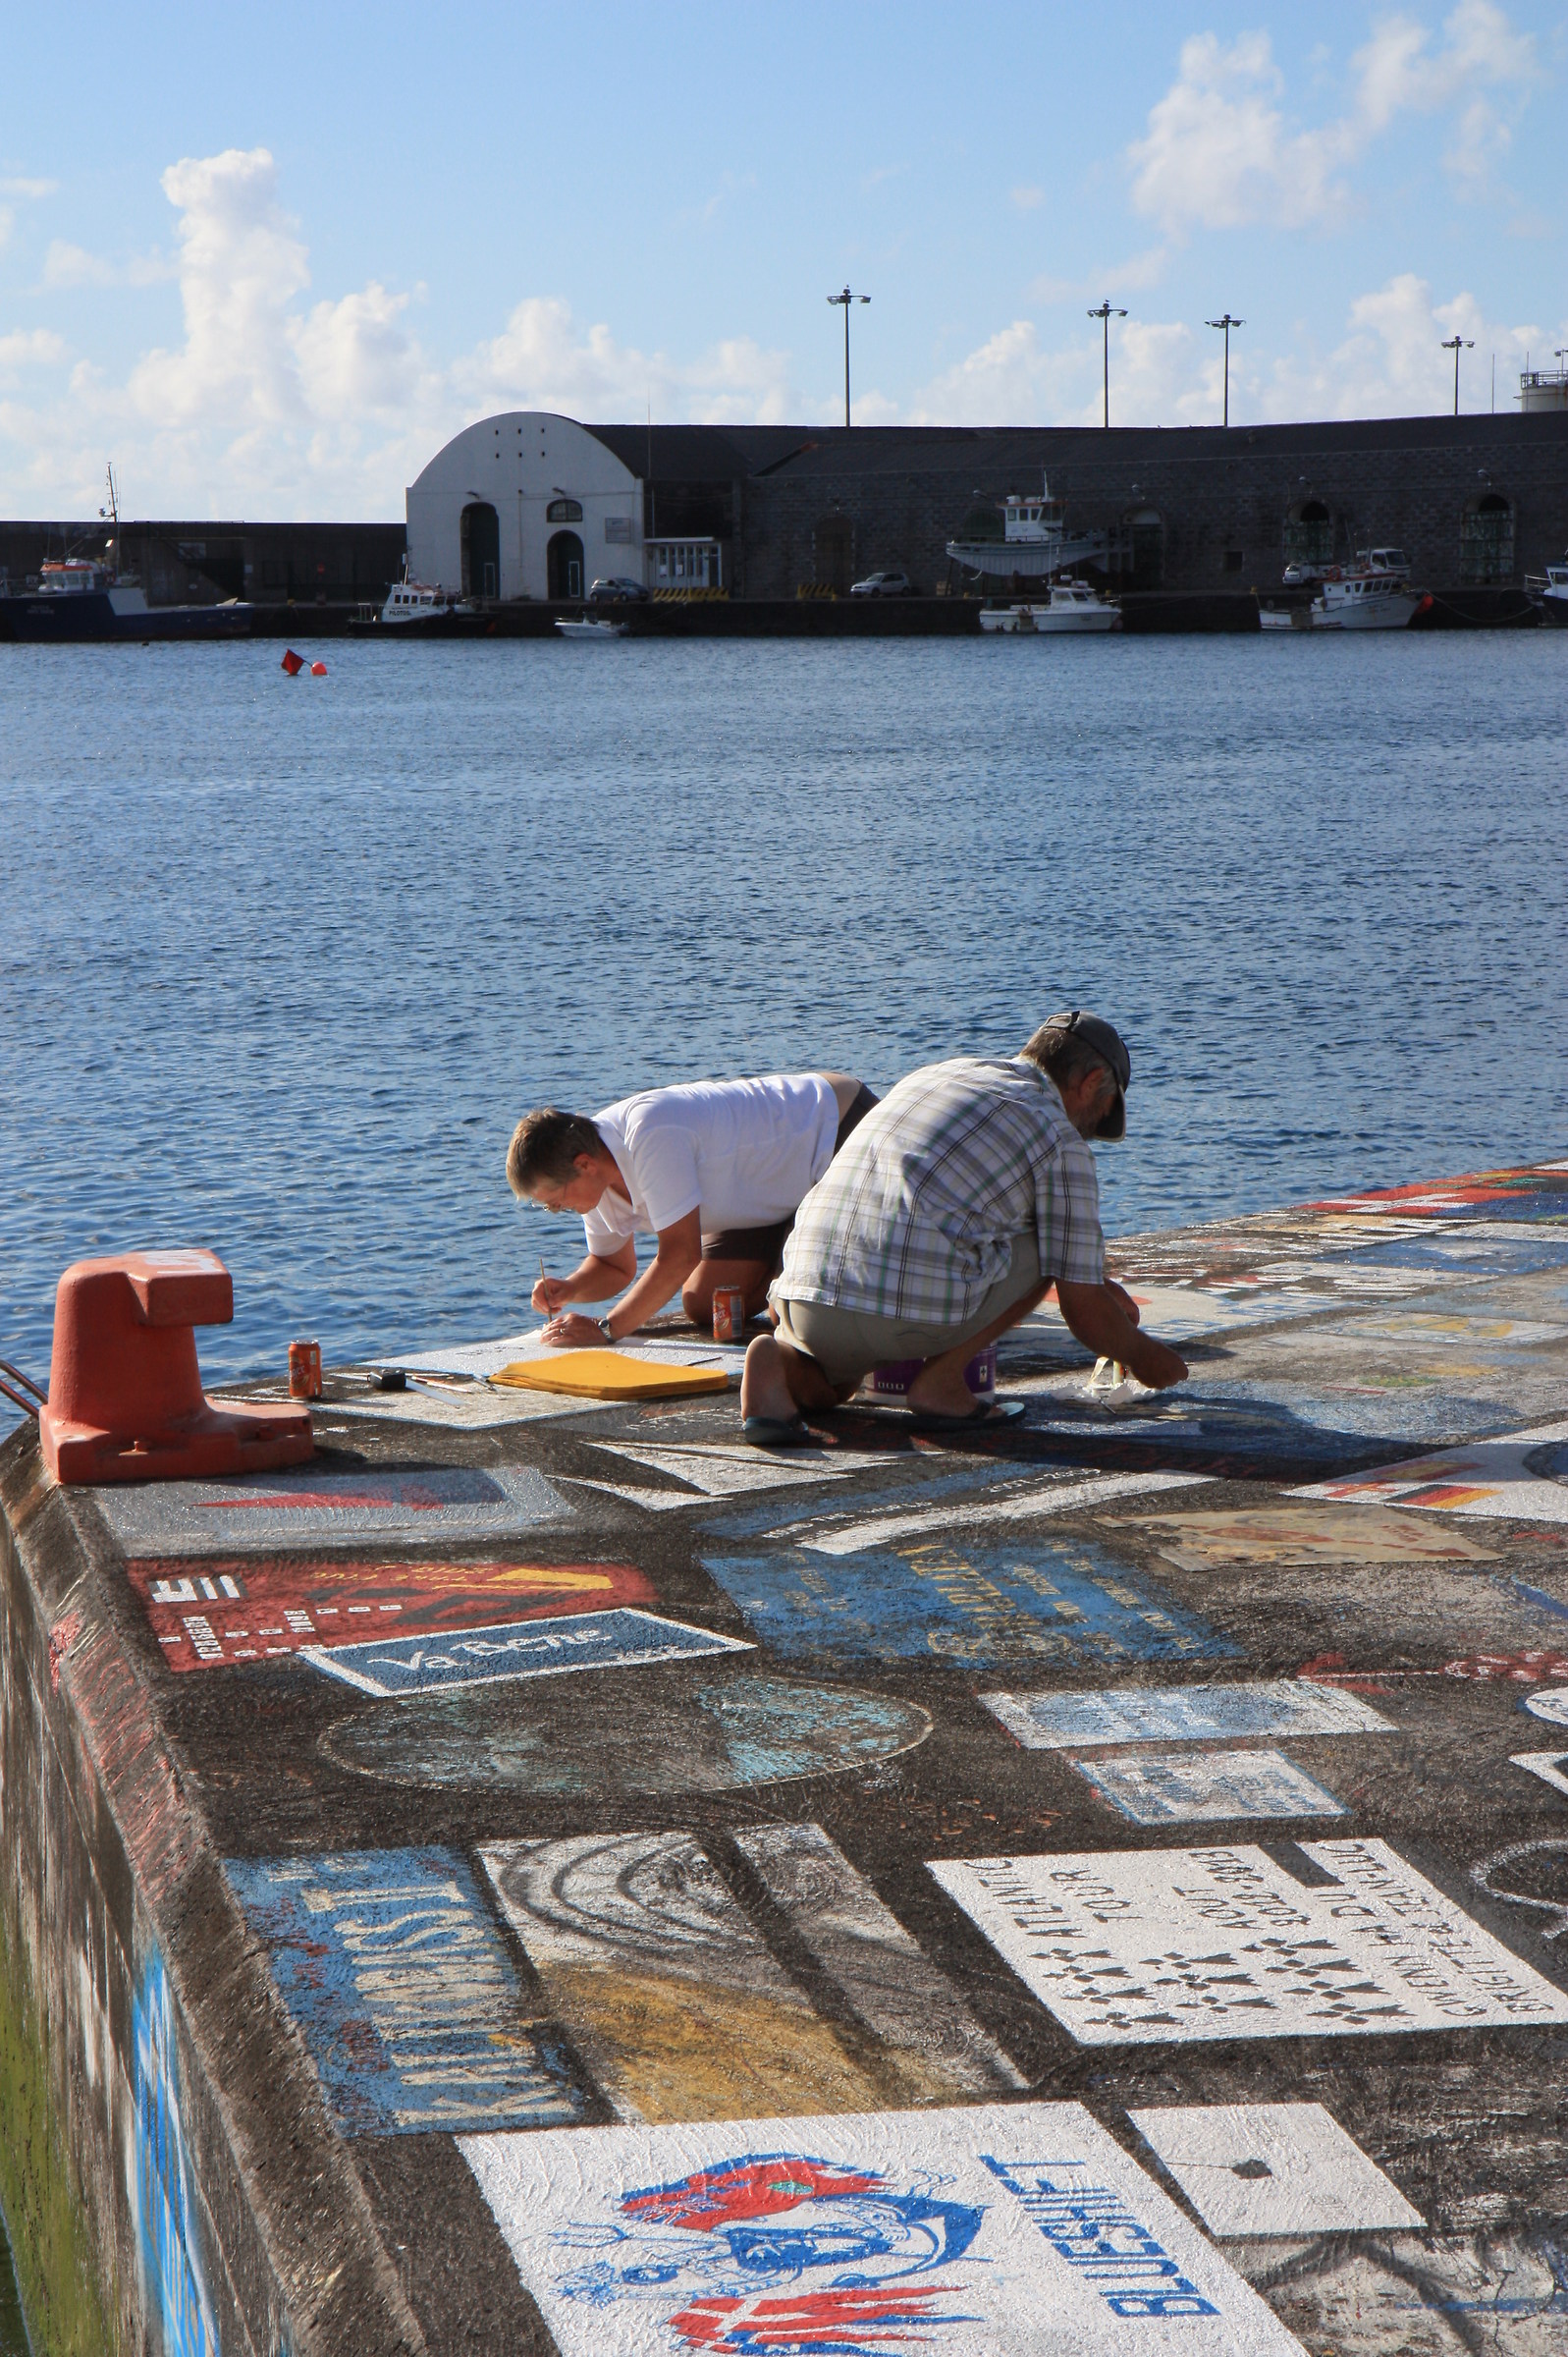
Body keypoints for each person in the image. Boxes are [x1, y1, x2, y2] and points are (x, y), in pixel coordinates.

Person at [738, 1011, 1188, 1442]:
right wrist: (1150, 1357)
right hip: (899, 1316)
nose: (1092, 1132)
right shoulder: (1059, 1137)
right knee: (1047, 1251)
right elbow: (1083, 1310)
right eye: (1103, 1113)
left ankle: (776, 1359)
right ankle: (941, 1385)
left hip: (801, 1299)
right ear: (1090, 1083)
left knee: (830, 1392)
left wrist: (1101, 1285)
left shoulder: (939, 1074)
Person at [506, 1072, 878, 1343]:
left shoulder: (650, 1133)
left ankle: (798, 1270)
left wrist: (607, 1329)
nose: (556, 1209)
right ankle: (791, 1256)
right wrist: (569, 1289)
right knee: (705, 1305)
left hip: (837, 1132)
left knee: (793, 1318)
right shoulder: (594, 1177)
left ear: (584, 1164)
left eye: (554, 1201)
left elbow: (681, 1255)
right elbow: (614, 1267)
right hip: (767, 1190)